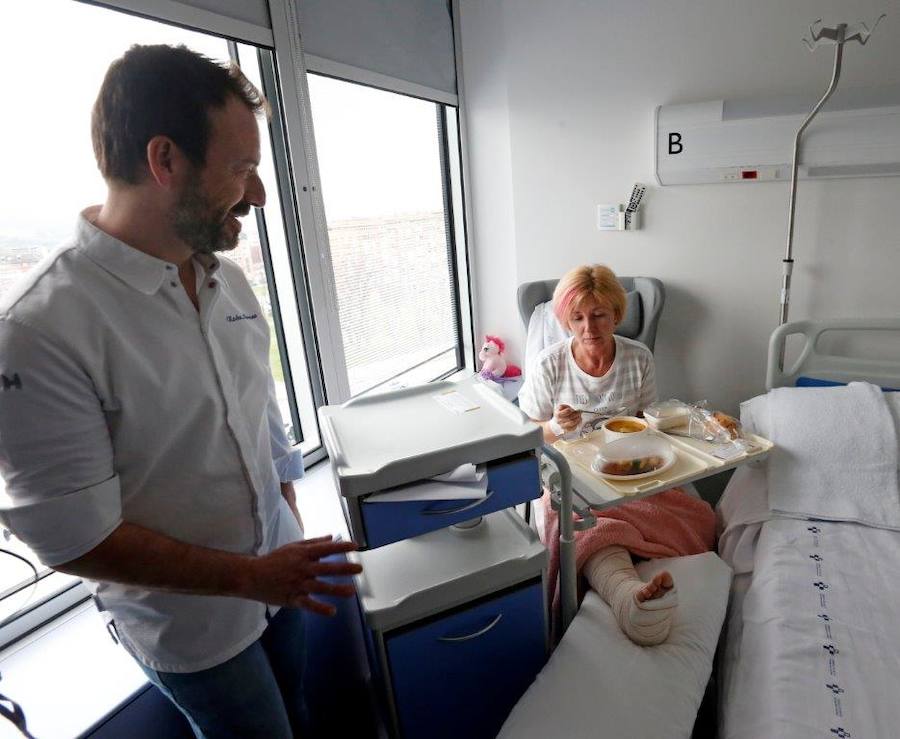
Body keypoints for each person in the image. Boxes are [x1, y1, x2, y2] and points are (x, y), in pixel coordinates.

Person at [0, 45, 361, 737]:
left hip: (280, 576)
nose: (258, 195)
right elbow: (77, 540)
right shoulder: (39, 330)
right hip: (192, 627)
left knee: (298, 711)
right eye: (242, 168)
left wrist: (284, 515)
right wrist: (252, 576)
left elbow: (260, 409)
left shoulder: (229, 280)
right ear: (165, 160)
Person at [518, 264, 715, 646]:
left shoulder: (638, 358)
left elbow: (646, 419)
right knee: (585, 524)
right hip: (571, 475)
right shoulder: (549, 364)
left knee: (701, 516)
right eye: (577, 318)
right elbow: (527, 434)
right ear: (565, 320)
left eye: (599, 315)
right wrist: (556, 426)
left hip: (630, 468)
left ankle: (633, 570)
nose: (588, 328)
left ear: (616, 315)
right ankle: (627, 596)